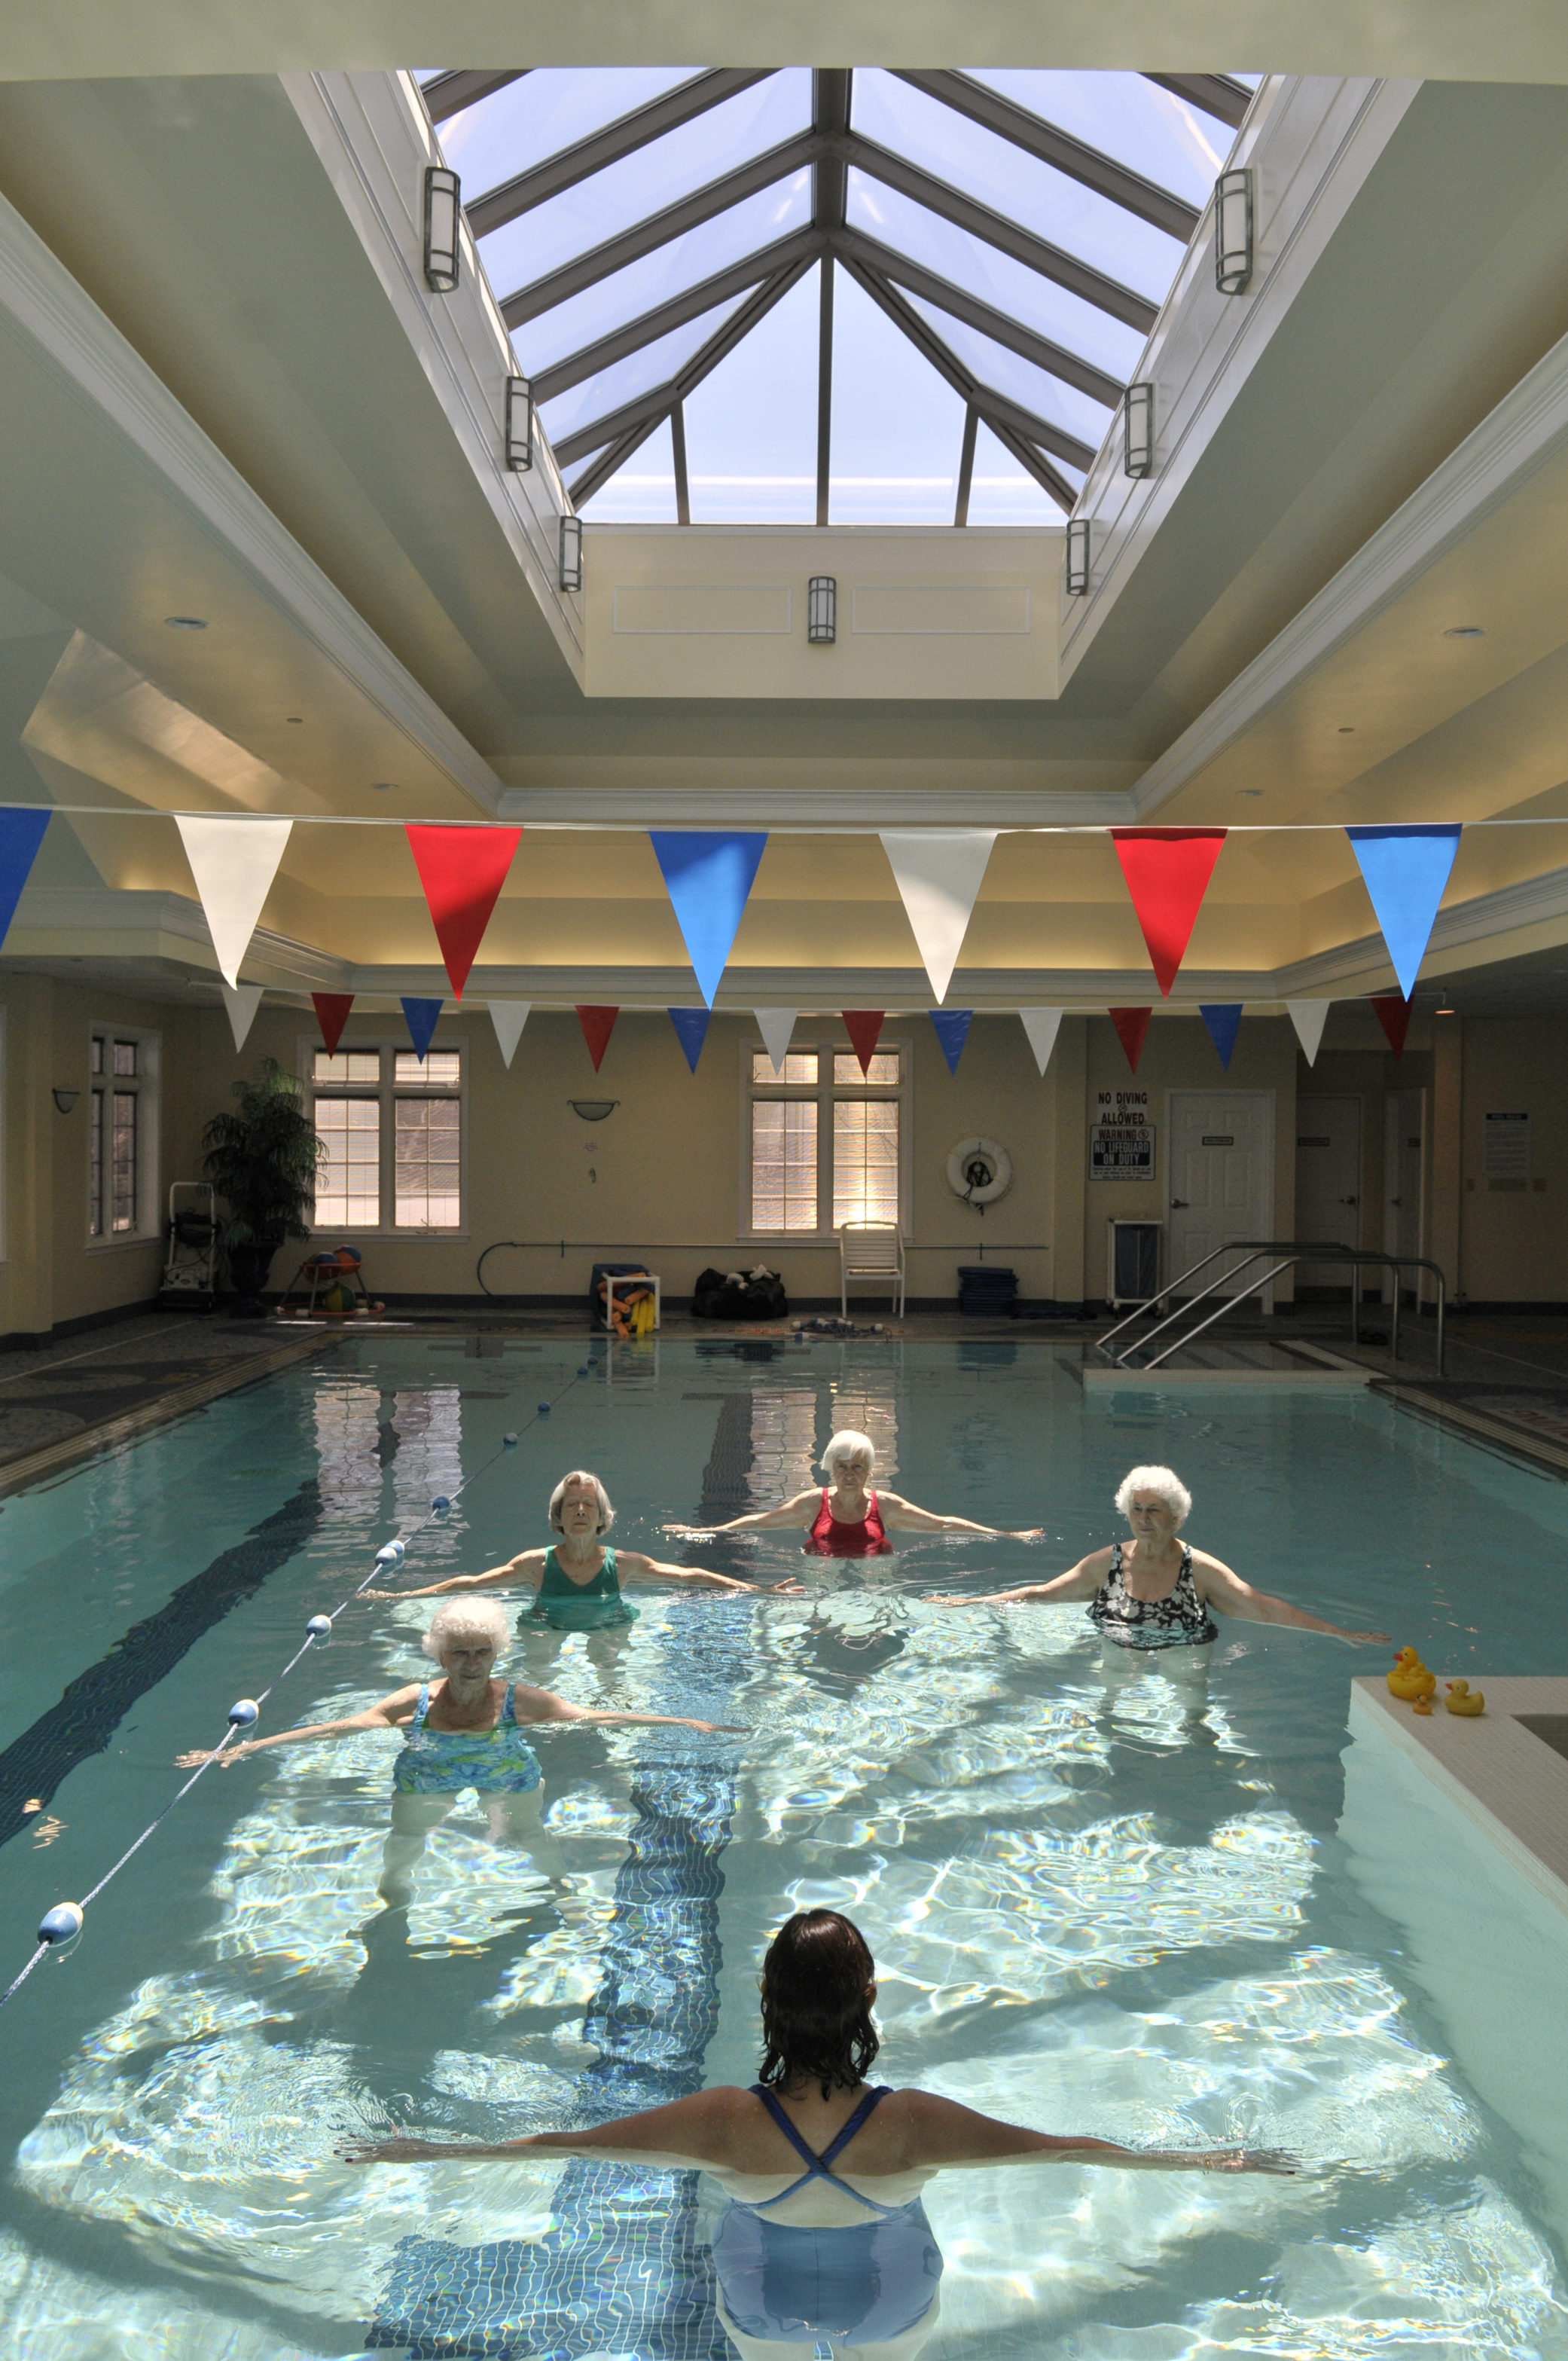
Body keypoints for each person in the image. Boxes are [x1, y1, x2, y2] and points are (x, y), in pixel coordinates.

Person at [340, 1907, 1294, 2360]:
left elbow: (565, 2143)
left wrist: (424, 2148)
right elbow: (1073, 2149)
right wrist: (1212, 2158)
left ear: (767, 2000)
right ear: (867, 1997)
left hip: (760, 2302)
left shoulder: (723, 2119)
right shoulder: (915, 2120)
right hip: (893, 2303)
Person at [175, 1597, 740, 1905]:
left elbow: (595, 1715)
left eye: (482, 1650)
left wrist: (683, 1720)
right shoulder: (412, 1700)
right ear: (441, 1655)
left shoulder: (522, 1699)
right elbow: (340, 1727)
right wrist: (246, 1748)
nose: (472, 1661)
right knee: (405, 1838)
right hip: (428, 1773)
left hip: (507, 1771)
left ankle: (559, 1888)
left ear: (495, 1652)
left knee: (529, 1834)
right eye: (461, 1652)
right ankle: (393, 1899)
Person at [926, 1465, 1391, 1648]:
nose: (1144, 1518)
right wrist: (967, 1606)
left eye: (1155, 1511)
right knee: (1107, 1700)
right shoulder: (1104, 1563)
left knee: (1191, 1713)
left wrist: (1338, 1633)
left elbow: (1261, 1605)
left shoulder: (1200, 1570)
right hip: (1117, 1653)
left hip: (1184, 1658)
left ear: (1176, 1518)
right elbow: (1041, 1595)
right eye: (1137, 1509)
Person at [363, 1470, 801, 1639]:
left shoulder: (624, 1564)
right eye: (570, 1505)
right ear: (557, 1515)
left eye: (587, 1505)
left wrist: (759, 1589)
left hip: (610, 1625)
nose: (578, 1510)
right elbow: (473, 1584)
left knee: (610, 1678)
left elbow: (690, 1577)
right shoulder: (534, 1564)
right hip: (546, 1626)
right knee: (540, 1674)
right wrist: (401, 1598)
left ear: (600, 1517)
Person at [664, 1430, 1042, 1559]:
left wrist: (1006, 1536)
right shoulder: (812, 1504)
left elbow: (942, 1524)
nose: (849, 1474)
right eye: (841, 1466)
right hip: (821, 1575)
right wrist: (706, 1531)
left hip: (873, 1576)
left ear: (870, 1471)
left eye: (857, 1467)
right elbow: (759, 1522)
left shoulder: (887, 1507)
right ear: (830, 1468)